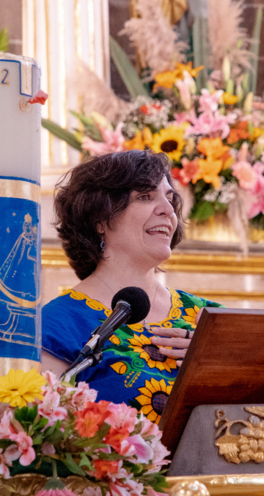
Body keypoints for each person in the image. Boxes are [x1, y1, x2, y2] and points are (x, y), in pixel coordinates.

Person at [41, 150, 222, 424]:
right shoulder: (56, 324)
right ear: (100, 220)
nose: (168, 209)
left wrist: (228, 364)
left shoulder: (209, 317)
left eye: (170, 199)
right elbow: (43, 433)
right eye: (145, 197)